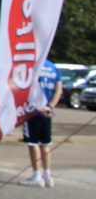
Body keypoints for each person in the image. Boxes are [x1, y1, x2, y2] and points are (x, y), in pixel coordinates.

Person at [19, 60, 62, 188]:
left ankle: (36, 175)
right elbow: (58, 90)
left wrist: (38, 107)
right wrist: (50, 107)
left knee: (33, 143)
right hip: (47, 112)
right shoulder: (53, 67)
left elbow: (24, 88)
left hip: (32, 112)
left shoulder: (31, 64)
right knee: (45, 144)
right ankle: (47, 175)